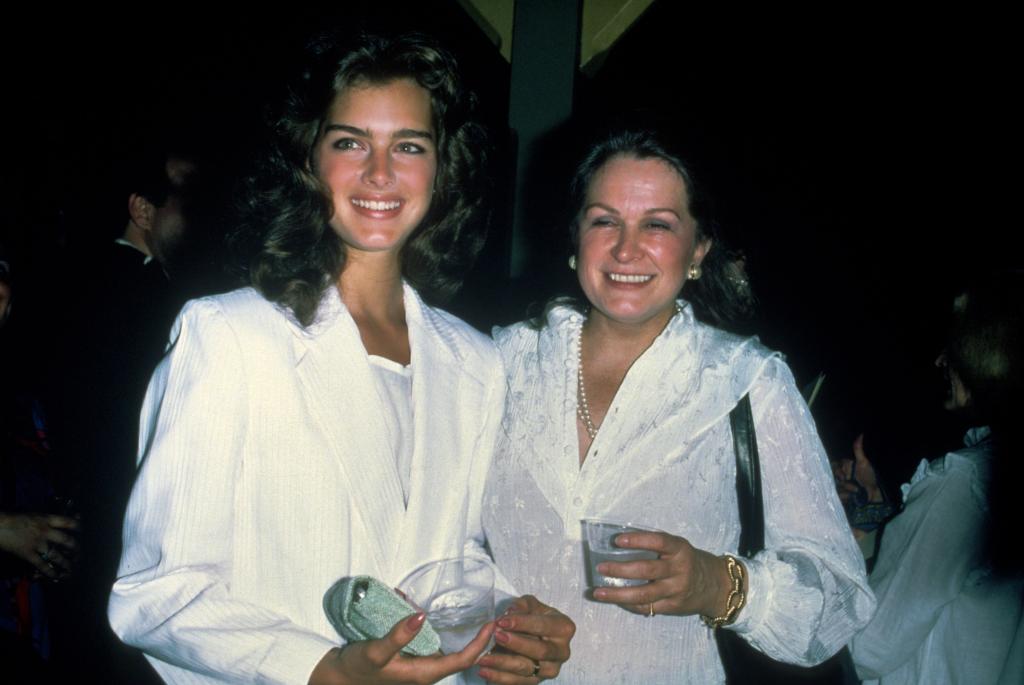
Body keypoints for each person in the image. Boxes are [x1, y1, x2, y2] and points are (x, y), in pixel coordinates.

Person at [108, 33, 572, 685]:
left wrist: (505, 624)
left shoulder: (474, 359)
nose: (379, 173)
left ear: (442, 170)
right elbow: (157, 594)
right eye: (350, 142)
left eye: (409, 145)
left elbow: (447, 562)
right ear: (309, 159)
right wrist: (324, 669)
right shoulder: (229, 334)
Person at [483, 129, 875, 683]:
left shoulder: (747, 380)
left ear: (698, 249)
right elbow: (440, 545)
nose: (625, 248)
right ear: (574, 238)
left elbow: (839, 597)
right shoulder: (499, 363)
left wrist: (717, 585)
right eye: (604, 220)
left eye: (657, 225)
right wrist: (490, 616)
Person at [840, 272, 1024, 684]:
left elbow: (870, 645)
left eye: (955, 346)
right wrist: (878, 511)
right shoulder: (993, 473)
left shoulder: (965, 481)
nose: (941, 361)